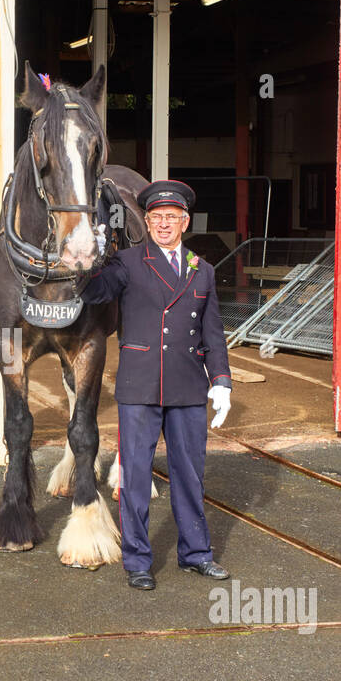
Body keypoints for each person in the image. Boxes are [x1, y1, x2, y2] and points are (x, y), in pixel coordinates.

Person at [80, 179, 232, 590]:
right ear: (146, 221)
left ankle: (196, 554)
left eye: (171, 217)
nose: (164, 224)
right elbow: (95, 292)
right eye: (156, 217)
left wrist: (221, 382)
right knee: (135, 476)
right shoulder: (126, 263)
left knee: (190, 474)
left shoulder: (204, 270)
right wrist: (89, 257)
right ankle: (138, 561)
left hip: (186, 387)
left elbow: (212, 333)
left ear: (185, 222)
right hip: (140, 386)